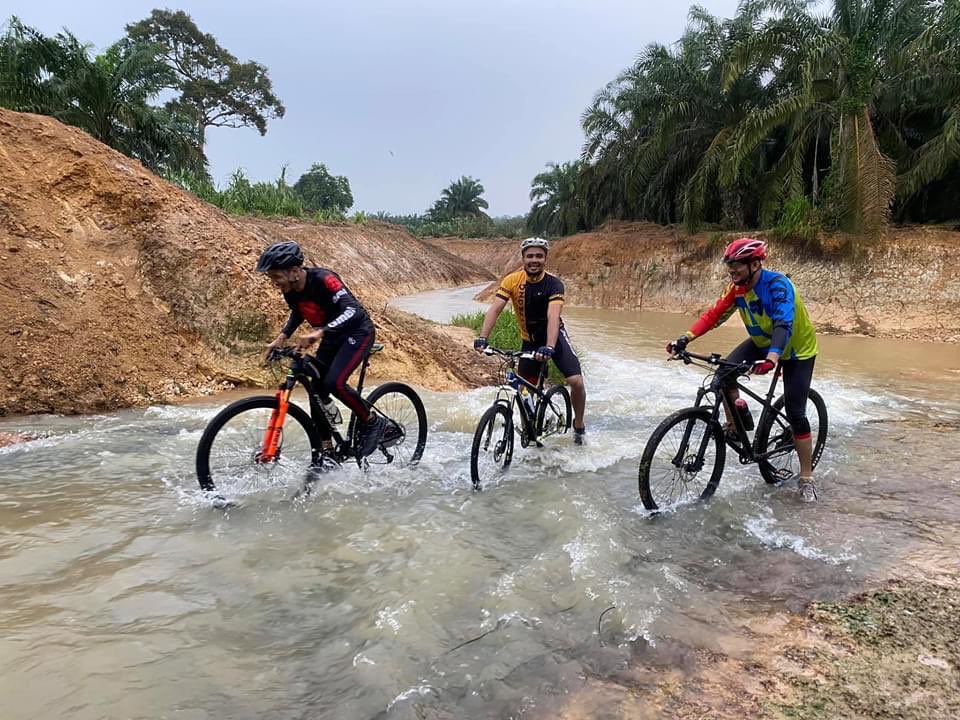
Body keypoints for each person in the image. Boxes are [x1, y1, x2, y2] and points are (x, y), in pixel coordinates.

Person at [666, 237, 820, 501]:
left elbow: (784, 324)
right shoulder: (736, 289)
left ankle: (806, 477)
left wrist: (773, 358)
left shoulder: (777, 285)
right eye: (730, 266)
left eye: (737, 266)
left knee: (796, 413)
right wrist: (685, 338)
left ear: (756, 264)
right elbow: (714, 315)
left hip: (796, 349)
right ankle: (736, 426)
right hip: (762, 342)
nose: (733, 271)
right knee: (722, 376)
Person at [255, 240, 386, 458]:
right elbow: (298, 312)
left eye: (276, 277)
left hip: (358, 332)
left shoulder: (325, 279)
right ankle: (326, 449)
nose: (274, 282)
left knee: (334, 383)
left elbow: (353, 310)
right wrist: (282, 337)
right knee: (317, 389)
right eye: (271, 278)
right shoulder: (290, 290)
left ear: (295, 271)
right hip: (332, 337)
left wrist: (320, 331)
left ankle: (372, 422)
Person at [473, 237, 587, 444]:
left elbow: (553, 316)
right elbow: (495, 309)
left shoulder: (554, 284)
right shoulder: (511, 281)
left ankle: (578, 424)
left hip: (554, 339)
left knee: (575, 382)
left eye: (539, 256)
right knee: (523, 390)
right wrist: (483, 338)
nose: (534, 260)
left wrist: (550, 347)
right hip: (529, 341)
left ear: (545, 259)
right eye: (530, 256)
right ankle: (530, 430)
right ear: (523, 258)